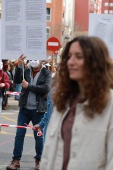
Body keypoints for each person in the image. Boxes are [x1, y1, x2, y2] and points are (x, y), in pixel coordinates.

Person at [40, 36, 113, 170]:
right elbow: (48, 152)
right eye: (69, 56)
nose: (71, 62)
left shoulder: (110, 104)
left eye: (78, 56)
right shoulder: (63, 100)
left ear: (95, 62)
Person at [6, 55, 52, 170]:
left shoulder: (46, 73)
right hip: (24, 109)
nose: (34, 61)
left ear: (42, 60)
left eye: (37, 58)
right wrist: (19, 66)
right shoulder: (26, 70)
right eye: (32, 58)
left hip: (38, 110)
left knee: (39, 137)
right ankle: (16, 160)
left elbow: (45, 89)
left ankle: (39, 161)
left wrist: (28, 86)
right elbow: (16, 81)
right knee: (19, 135)